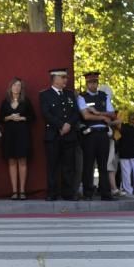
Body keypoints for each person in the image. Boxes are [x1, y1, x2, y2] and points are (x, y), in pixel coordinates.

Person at [40, 69, 81, 201]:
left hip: (69, 135)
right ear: (54, 79)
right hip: (53, 135)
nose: (65, 80)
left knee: (69, 165)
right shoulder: (45, 95)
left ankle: (68, 193)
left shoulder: (69, 94)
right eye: (62, 77)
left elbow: (75, 112)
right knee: (53, 166)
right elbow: (46, 113)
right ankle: (52, 193)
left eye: (66, 77)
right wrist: (61, 125)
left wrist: (68, 124)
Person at [77, 71, 116, 201]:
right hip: (90, 134)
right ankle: (88, 192)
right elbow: (85, 116)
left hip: (103, 133)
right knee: (88, 164)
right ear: (87, 83)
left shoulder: (104, 96)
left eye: (95, 82)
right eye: (91, 82)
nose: (93, 85)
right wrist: (102, 117)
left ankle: (105, 192)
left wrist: (99, 113)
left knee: (103, 165)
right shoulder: (82, 97)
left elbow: (112, 114)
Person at [0, 78, 35, 199]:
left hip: (23, 134)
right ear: (10, 87)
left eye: (19, 86)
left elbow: (33, 117)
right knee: (12, 162)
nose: (16, 87)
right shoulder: (5, 102)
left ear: (21, 88)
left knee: (22, 161)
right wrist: (9, 117)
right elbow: (0, 119)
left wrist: (22, 118)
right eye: (14, 85)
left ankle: (22, 191)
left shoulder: (26, 101)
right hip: (9, 135)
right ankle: (14, 191)